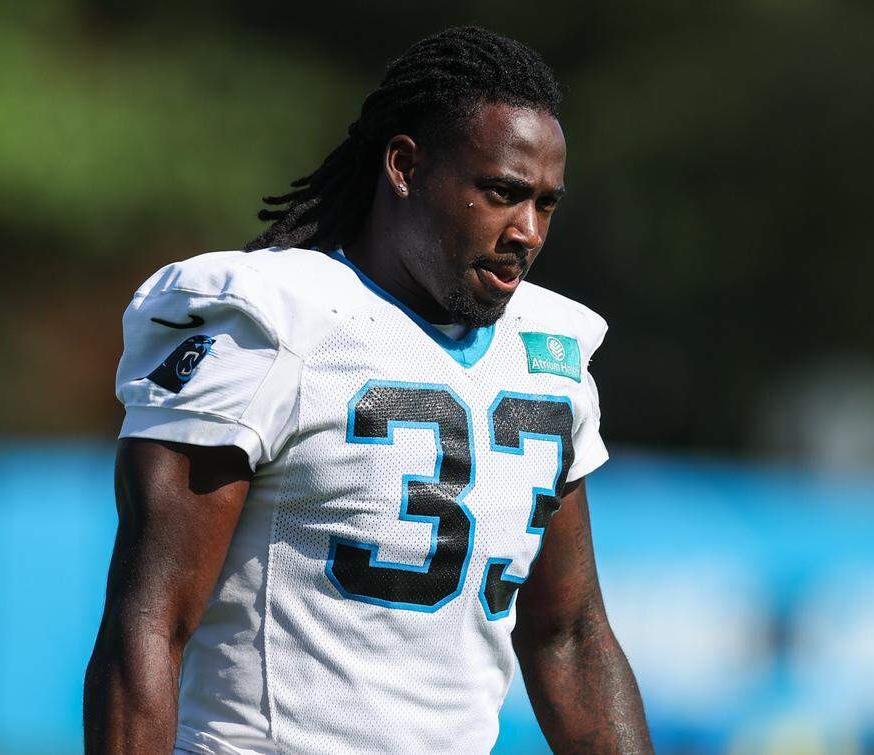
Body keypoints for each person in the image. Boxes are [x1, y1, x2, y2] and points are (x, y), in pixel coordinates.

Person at [84, 25, 652, 755]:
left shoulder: (549, 350)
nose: (528, 232)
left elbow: (568, 635)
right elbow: (149, 623)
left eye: (545, 204)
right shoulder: (272, 320)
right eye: (502, 193)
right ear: (405, 167)